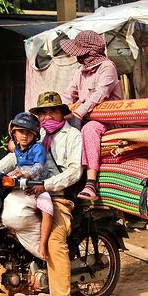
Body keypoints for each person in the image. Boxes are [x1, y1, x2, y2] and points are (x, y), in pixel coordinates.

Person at [0, 93, 82, 296]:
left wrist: (45, 185)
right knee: (0, 232)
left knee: (53, 242)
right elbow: (13, 160)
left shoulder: (73, 136)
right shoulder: (31, 137)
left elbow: (74, 171)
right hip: (27, 193)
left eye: (53, 111)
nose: (47, 116)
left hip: (57, 197)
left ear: (62, 113)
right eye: (42, 113)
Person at [59, 30, 121, 200]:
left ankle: (91, 183)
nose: (77, 57)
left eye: (81, 53)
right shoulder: (80, 70)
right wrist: (55, 110)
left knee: (89, 129)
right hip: (83, 118)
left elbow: (100, 94)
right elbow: (69, 93)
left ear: (90, 53)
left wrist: (78, 113)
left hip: (106, 121)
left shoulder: (107, 67)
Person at [6, 112, 53, 260]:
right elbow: (18, 165)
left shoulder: (37, 148)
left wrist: (27, 173)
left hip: (39, 185)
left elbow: (39, 166)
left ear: (35, 136)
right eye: (20, 132)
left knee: (47, 208)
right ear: (14, 134)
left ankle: (43, 244)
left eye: (28, 133)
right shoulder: (17, 150)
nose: (24, 136)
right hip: (24, 186)